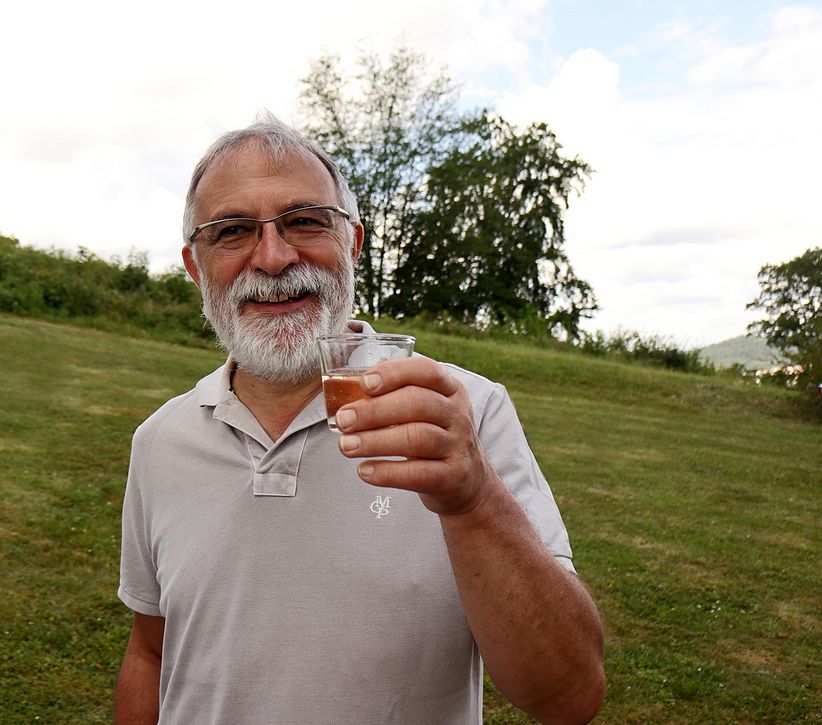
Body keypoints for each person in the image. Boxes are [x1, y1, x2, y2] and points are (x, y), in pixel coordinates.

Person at [115, 114, 606, 725]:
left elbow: (568, 696)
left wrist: (473, 500)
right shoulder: (159, 442)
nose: (273, 258)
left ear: (352, 243)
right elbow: (151, 651)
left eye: (305, 221)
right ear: (196, 267)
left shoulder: (463, 416)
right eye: (232, 232)